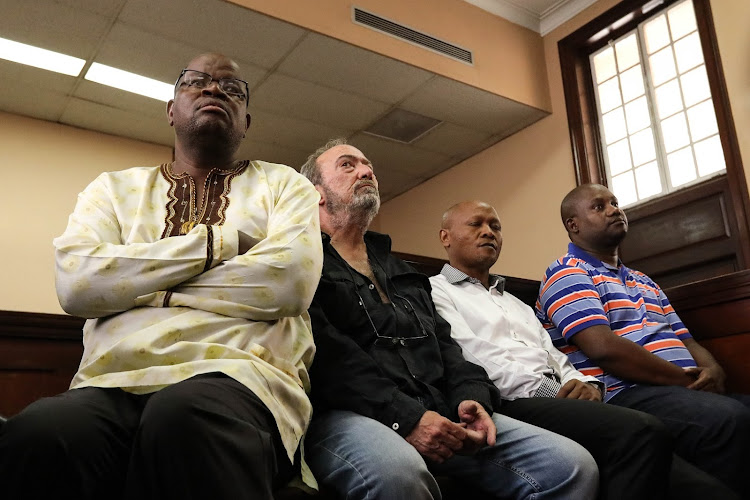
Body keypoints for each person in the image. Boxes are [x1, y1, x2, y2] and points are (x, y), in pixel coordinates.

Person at [0, 53, 323, 500]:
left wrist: (136, 284)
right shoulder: (112, 190)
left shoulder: (285, 185)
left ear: (246, 121)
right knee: (37, 434)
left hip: (239, 377)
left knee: (182, 419)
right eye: (196, 82)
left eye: (231, 88)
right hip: (110, 381)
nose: (214, 90)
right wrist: (217, 244)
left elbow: (288, 283)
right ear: (171, 109)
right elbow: (77, 284)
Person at [300, 138, 600, 500]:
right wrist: (408, 418)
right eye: (348, 165)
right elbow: (330, 360)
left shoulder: (402, 272)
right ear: (315, 192)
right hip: (351, 413)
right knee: (399, 476)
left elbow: (449, 349)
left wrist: (471, 400)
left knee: (570, 465)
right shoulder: (302, 262)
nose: (366, 171)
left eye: (368, 166)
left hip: (438, 407)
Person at [430, 199, 738, 500]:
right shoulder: (433, 290)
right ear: (445, 237)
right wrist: (555, 390)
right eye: (476, 224)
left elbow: (554, 355)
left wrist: (587, 385)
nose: (489, 232)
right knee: (642, 430)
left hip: (558, 397)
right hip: (508, 401)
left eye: (495, 226)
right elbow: (476, 358)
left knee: (699, 485)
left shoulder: (513, 302)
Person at [536, 183, 750, 498]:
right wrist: (684, 380)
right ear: (573, 224)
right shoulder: (566, 273)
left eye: (615, 202)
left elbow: (685, 339)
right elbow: (604, 349)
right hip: (625, 394)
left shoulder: (644, 280)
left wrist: (713, 369)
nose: (613, 209)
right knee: (728, 420)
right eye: (599, 206)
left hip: (677, 390)